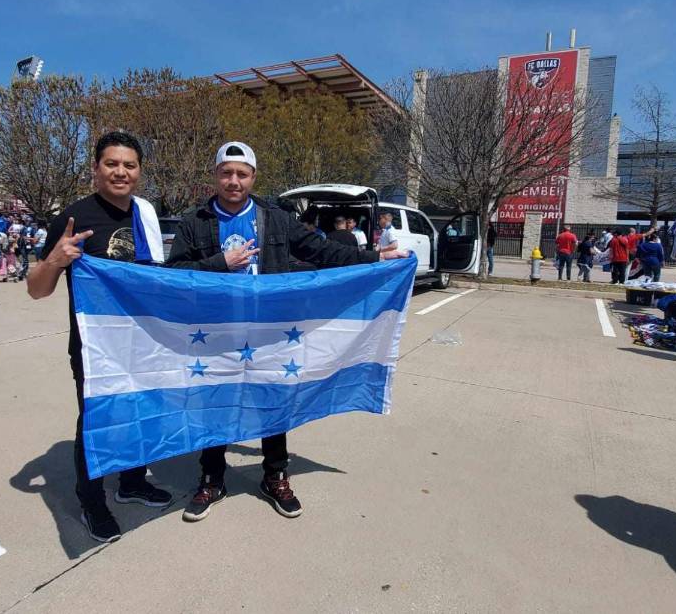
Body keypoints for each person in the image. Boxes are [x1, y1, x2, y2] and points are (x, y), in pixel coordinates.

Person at [167, 140, 408, 523]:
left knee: (272, 401)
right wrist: (220, 262)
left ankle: (275, 475)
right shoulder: (195, 221)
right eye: (226, 173)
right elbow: (174, 273)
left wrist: (374, 257)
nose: (233, 181)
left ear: (253, 177)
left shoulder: (275, 218)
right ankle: (212, 478)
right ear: (215, 176)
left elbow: (322, 250)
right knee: (214, 403)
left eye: (241, 174)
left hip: (268, 332)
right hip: (214, 334)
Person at [27, 131, 173, 544]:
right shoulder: (74, 218)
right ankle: (91, 499)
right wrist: (55, 260)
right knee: (98, 420)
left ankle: (131, 481)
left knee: (141, 412)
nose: (120, 172)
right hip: (96, 346)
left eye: (129, 165)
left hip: (143, 341)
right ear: (95, 169)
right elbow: (37, 289)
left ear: (139, 172)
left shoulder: (146, 214)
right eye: (112, 164)